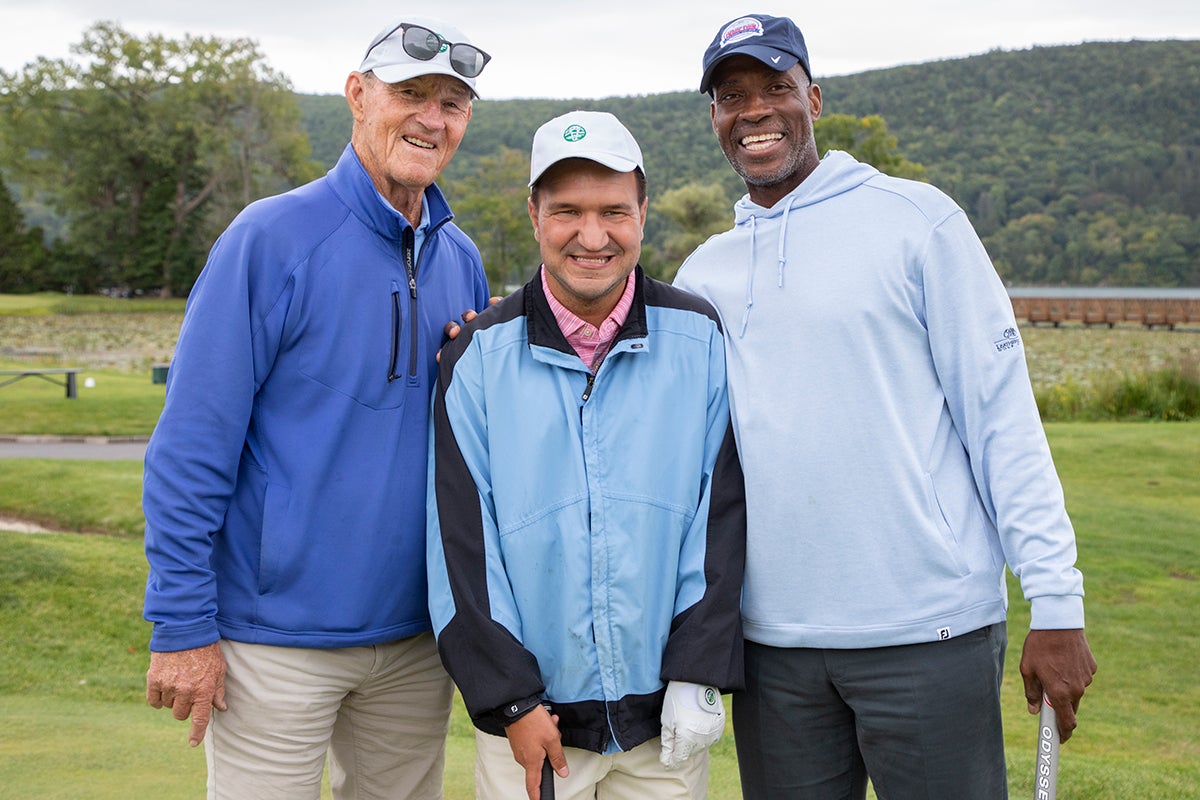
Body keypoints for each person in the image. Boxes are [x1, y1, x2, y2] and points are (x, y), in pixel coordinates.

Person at [673, 14, 1098, 799]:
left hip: (929, 632)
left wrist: (1057, 599)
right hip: (773, 648)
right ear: (715, 119)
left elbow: (1000, 421)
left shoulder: (919, 222)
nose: (755, 110)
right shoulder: (704, 273)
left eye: (776, 87)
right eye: (733, 96)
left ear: (815, 99)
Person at [141, 16, 491, 800]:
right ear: (358, 95)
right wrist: (181, 624)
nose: (432, 119)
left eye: (453, 104)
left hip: (414, 639)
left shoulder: (460, 259)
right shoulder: (270, 238)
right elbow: (192, 445)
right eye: (410, 94)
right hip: (274, 642)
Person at [427, 110, 747, 800]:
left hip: (665, 720)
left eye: (614, 211)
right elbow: (459, 547)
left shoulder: (699, 337)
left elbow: (719, 518)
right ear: (536, 214)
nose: (592, 236)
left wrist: (698, 673)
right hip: (534, 727)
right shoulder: (476, 357)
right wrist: (509, 700)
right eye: (568, 210)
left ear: (643, 212)